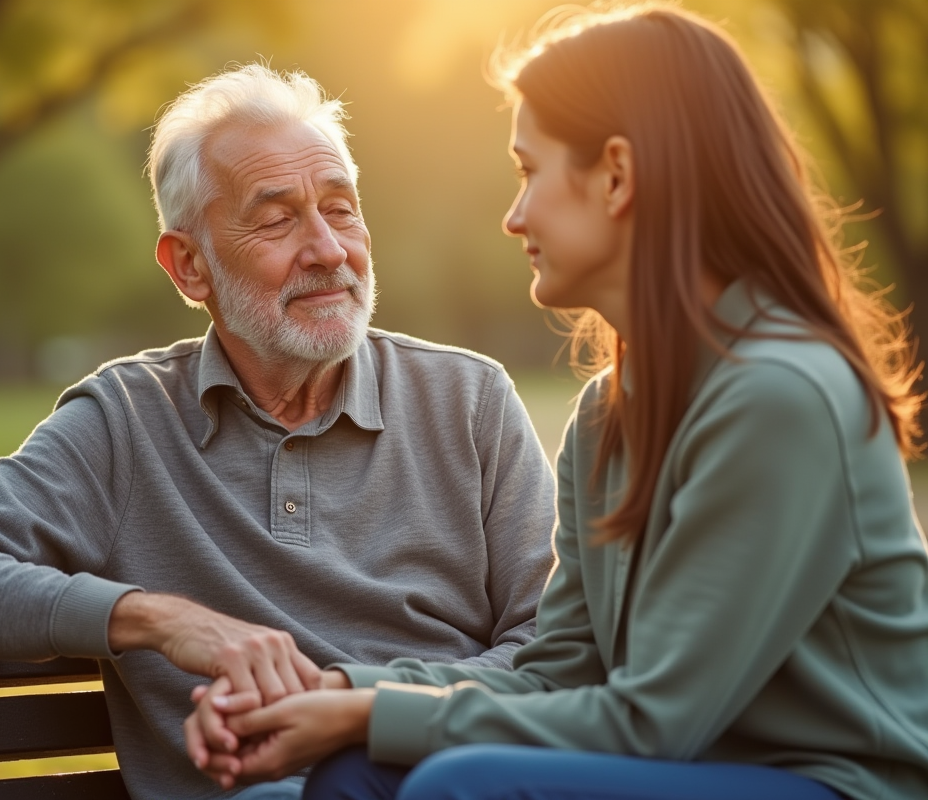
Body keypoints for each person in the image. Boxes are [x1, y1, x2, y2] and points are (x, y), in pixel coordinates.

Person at [187, 7, 928, 799]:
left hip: (834, 785)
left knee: (459, 785)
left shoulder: (783, 396)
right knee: (352, 778)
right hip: (693, 770)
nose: (514, 216)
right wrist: (343, 698)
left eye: (528, 172)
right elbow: (558, 676)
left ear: (616, 175)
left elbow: (655, 723)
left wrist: (369, 714)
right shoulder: (611, 413)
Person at [0, 64, 558, 800]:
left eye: (341, 209)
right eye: (277, 217)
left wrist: (355, 699)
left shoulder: (469, 399)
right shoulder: (128, 420)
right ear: (190, 265)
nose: (327, 249)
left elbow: (557, 655)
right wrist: (153, 619)